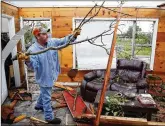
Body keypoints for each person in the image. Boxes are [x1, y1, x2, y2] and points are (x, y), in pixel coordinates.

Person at [18, 26, 81, 124]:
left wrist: (73, 35)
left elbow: (63, 41)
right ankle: (49, 117)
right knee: (47, 97)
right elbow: (32, 66)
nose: (47, 35)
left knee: (44, 91)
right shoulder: (33, 50)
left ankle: (39, 105)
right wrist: (28, 59)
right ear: (37, 36)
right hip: (44, 77)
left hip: (52, 74)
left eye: (46, 33)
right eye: (44, 34)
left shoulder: (51, 42)